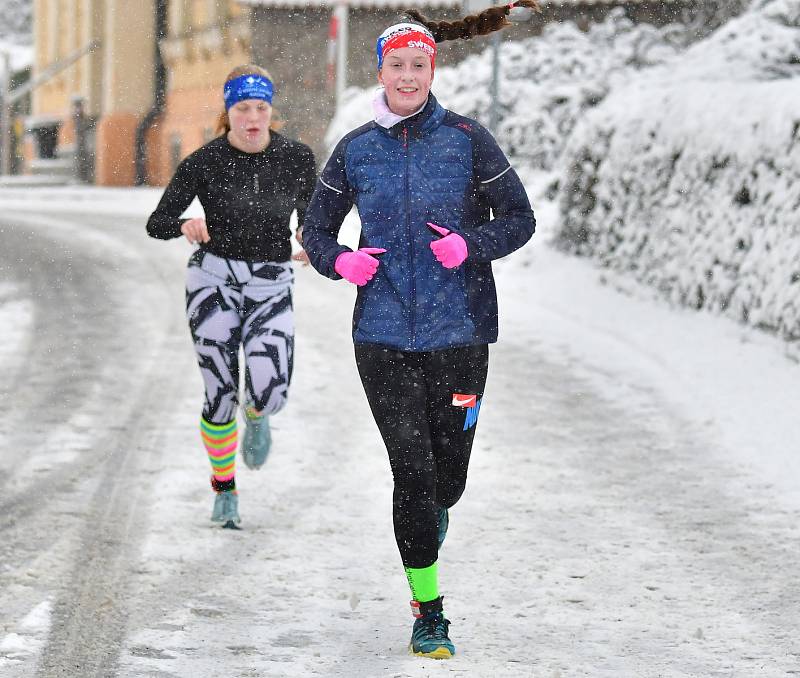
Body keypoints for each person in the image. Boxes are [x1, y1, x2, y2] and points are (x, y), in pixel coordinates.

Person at [301, 1, 538, 659]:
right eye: (396, 66)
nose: (407, 76)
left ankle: (431, 519)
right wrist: (339, 260)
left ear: (431, 68)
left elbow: (519, 217)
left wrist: (471, 244)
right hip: (381, 334)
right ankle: (429, 609)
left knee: (448, 481)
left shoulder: (466, 138)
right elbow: (315, 229)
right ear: (381, 70)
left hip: (460, 331)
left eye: (418, 65)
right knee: (411, 470)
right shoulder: (356, 150)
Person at [146, 65, 316, 529]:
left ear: (271, 110)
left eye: (261, 107)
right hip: (213, 283)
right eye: (243, 108)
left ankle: (258, 413)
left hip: (270, 283)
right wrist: (185, 224)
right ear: (229, 110)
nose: (253, 117)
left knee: (270, 388)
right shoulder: (203, 161)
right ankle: (224, 490)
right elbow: (156, 222)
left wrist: (310, 238)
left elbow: (315, 218)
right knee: (219, 393)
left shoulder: (296, 158)